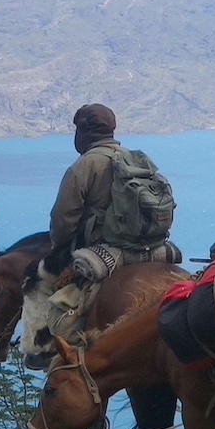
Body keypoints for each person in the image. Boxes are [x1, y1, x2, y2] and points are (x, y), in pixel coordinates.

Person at [33, 103, 179, 345]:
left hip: (101, 247)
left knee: (61, 304)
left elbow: (63, 218)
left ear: (83, 132)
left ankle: (60, 351)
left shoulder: (85, 165)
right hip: (150, 245)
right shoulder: (136, 159)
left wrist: (58, 249)